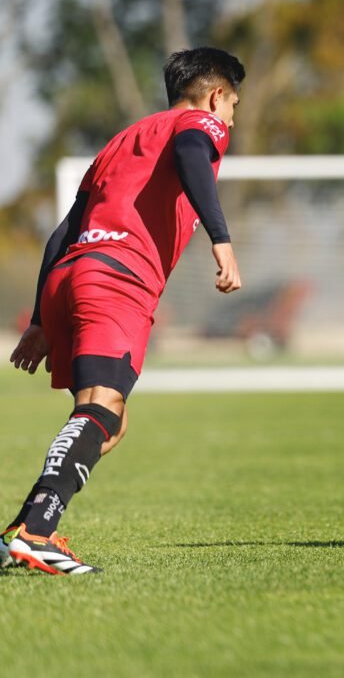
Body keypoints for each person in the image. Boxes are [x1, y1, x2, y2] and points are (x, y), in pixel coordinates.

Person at [2, 48, 246, 574]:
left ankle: (22, 530)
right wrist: (221, 240)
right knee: (103, 409)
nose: (230, 120)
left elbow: (63, 230)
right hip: (117, 277)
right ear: (216, 94)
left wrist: (44, 318)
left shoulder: (122, 142)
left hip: (72, 273)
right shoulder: (197, 122)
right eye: (233, 107)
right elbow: (190, 151)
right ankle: (38, 531)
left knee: (108, 422)